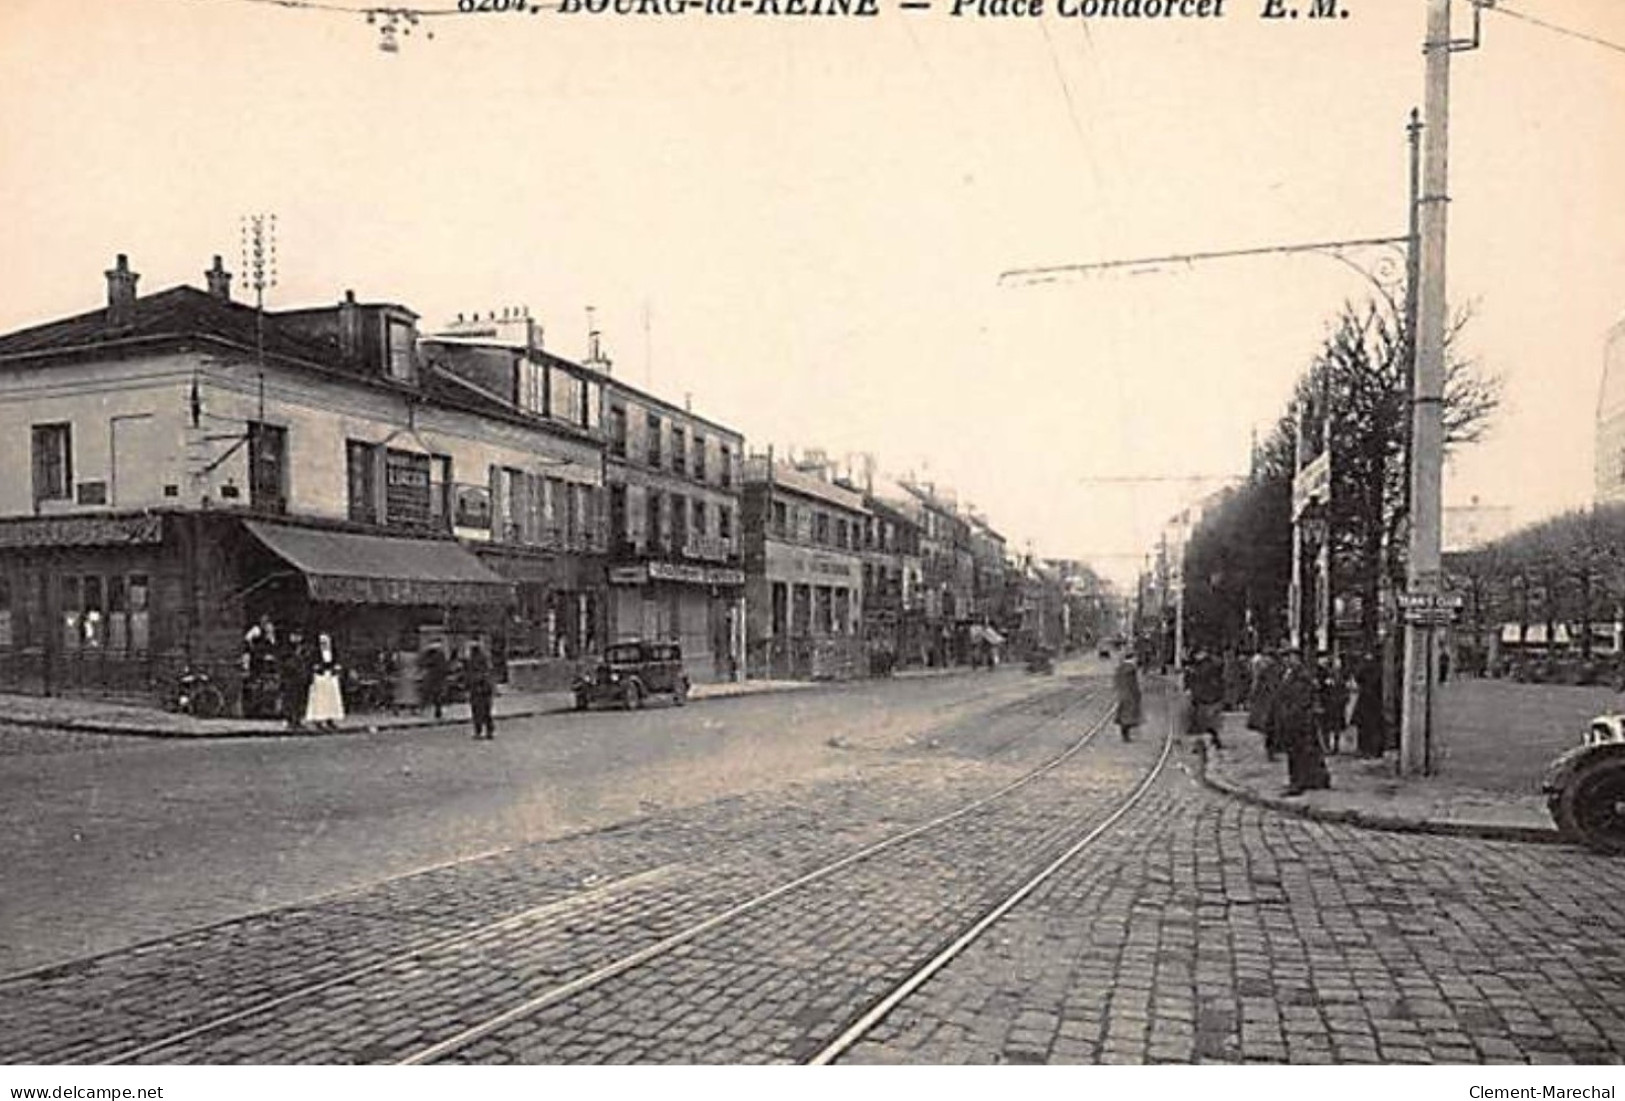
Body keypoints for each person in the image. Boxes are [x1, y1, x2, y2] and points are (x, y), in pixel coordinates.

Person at [1276, 650, 1330, 796]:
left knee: (1299, 752)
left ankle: (1298, 783)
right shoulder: (1289, 674)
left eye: (1289, 657)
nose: (1286, 660)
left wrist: (1290, 715)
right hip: (1293, 719)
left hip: (1300, 721)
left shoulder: (1301, 677)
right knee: (1299, 751)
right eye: (1285, 658)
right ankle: (1309, 780)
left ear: (1297, 659)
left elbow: (1300, 700)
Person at [304, 633, 345, 732]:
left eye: (326, 641)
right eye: (322, 642)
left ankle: (330, 719)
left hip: (330, 677)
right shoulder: (315, 653)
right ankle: (318, 720)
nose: (324, 644)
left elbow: (337, 662)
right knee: (320, 700)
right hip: (320, 677)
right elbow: (312, 664)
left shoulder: (333, 652)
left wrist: (336, 668)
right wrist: (316, 668)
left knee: (331, 699)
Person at [279, 629, 311, 731]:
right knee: (290, 699)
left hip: (300, 677)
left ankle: (298, 719)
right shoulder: (286, 649)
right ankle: (289, 719)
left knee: (299, 699)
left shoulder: (303, 648)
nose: (296, 638)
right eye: (294, 636)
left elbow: (307, 660)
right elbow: (284, 662)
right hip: (290, 677)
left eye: (299, 636)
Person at [465, 641, 496, 740]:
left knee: (479, 711)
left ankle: (481, 731)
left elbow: (475, 675)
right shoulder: (482, 660)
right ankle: (487, 731)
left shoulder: (475, 661)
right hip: (482, 689)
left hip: (480, 689)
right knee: (484, 711)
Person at [1113, 653, 1142, 742]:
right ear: (1132, 658)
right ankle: (1126, 736)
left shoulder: (1119, 668)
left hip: (1121, 694)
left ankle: (1124, 734)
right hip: (1130, 695)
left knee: (1123, 715)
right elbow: (1133, 684)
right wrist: (1138, 693)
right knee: (1129, 716)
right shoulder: (1131, 669)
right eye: (1135, 658)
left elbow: (1116, 681)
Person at [420, 640, 449, 721]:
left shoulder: (429, 656)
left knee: (430, 694)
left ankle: (425, 709)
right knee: (436, 696)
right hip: (437, 678)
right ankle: (436, 712)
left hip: (432, 678)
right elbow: (443, 667)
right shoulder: (440, 655)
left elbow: (424, 663)